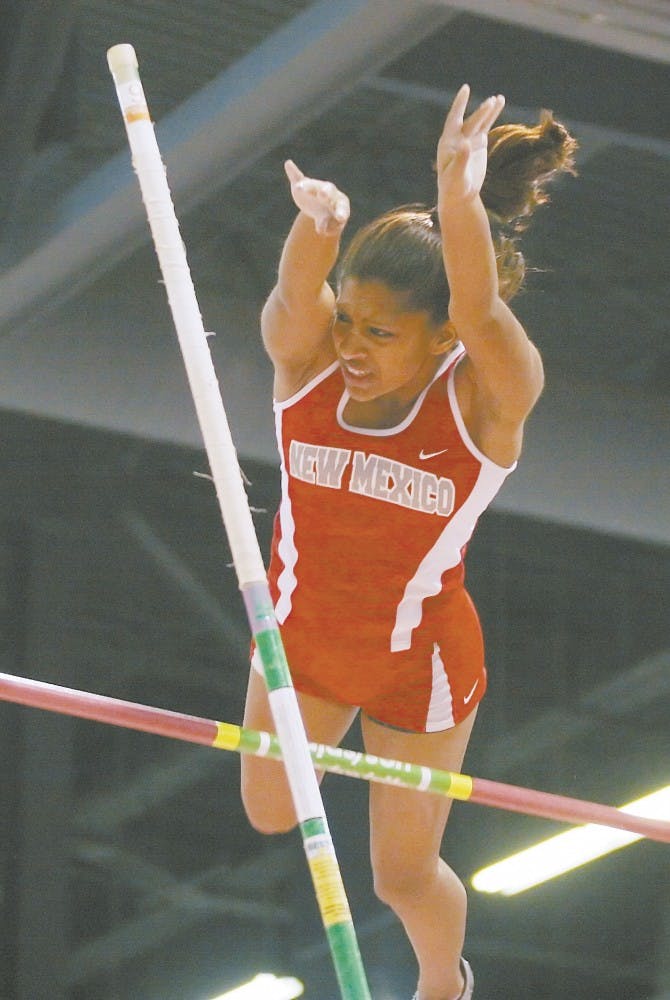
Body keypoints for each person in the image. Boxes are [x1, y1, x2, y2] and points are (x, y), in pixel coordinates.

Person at [241, 84, 577, 1000]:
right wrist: (321, 227)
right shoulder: (307, 363)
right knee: (270, 813)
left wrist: (458, 201)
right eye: (347, 316)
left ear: (441, 343)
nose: (351, 343)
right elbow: (290, 297)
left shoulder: (483, 400)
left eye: (382, 332)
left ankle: (445, 983)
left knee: (398, 876)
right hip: (303, 636)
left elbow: (478, 308)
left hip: (417, 659)